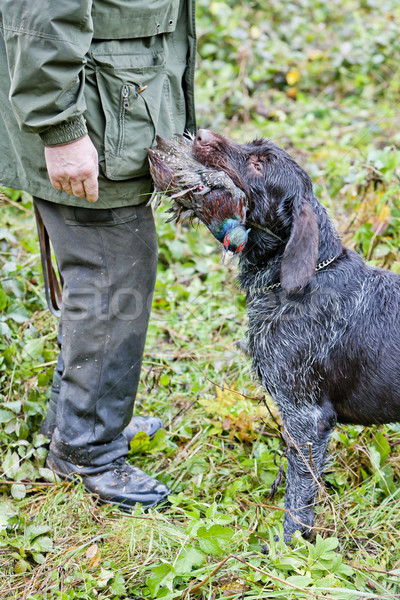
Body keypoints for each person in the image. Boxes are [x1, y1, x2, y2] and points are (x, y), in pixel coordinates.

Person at [0, 0, 196, 509]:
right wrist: (60, 127)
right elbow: (42, 11)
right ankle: (87, 449)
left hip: (114, 100)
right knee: (112, 272)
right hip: (92, 110)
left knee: (109, 266)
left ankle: (71, 420)